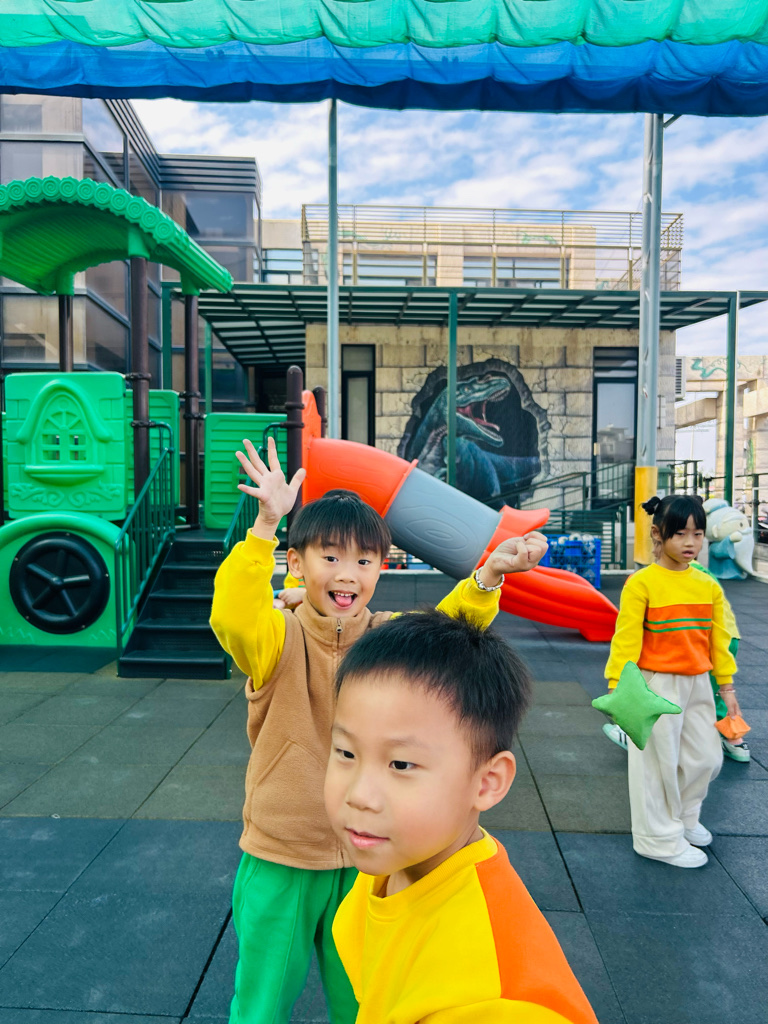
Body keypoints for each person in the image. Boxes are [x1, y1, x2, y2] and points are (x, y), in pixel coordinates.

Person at [210, 436, 548, 1024]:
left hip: (368, 858)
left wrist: (489, 574)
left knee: (366, 999)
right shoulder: (277, 640)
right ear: (297, 564)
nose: (349, 574)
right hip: (284, 852)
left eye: (365, 561)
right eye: (330, 557)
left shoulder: (385, 638)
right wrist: (265, 527)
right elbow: (234, 616)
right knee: (262, 999)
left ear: (381, 569)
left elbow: (445, 634)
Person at [325, 610, 598, 1024]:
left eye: (401, 764)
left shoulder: (489, 1000)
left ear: (487, 782)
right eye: (346, 753)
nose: (359, 795)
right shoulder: (397, 860)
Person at [603, 493, 740, 868]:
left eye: (698, 534)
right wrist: (618, 687)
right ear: (658, 534)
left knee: (706, 758)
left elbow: (718, 640)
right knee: (655, 764)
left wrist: (727, 687)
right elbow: (626, 638)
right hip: (655, 683)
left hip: (698, 682)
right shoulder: (642, 583)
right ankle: (657, 839)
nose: (690, 543)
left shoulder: (706, 585)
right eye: (680, 534)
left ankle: (683, 817)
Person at [603, 556, 750, 764]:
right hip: (728, 637)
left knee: (662, 687)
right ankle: (734, 739)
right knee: (714, 694)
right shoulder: (704, 574)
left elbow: (635, 630)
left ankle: (636, 733)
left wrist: (617, 680)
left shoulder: (659, 576)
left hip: (698, 640)